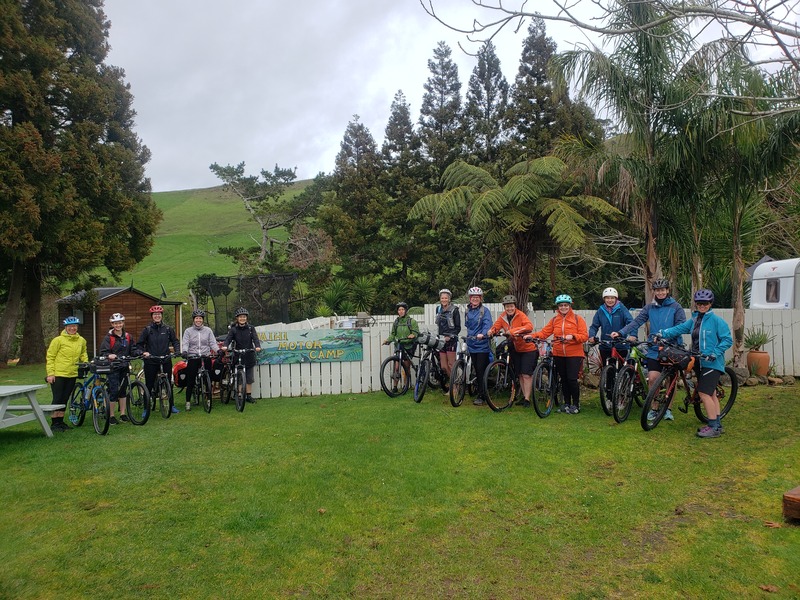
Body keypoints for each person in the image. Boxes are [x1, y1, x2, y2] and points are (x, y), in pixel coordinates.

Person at [659, 289, 732, 438]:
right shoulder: (694, 320)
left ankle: (712, 427)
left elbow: (727, 340)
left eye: (705, 303)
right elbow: (678, 329)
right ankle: (717, 425)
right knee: (711, 393)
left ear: (710, 304)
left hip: (712, 363)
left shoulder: (717, 321)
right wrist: (662, 333)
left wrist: (715, 353)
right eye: (699, 303)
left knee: (704, 393)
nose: (702, 306)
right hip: (698, 361)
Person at [613, 278, 686, 421]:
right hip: (654, 348)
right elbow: (637, 322)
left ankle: (668, 409)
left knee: (671, 380)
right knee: (653, 378)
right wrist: (621, 332)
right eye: (657, 290)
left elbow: (681, 326)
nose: (660, 292)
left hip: (672, 348)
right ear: (654, 292)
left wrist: (666, 335)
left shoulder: (676, 307)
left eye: (663, 290)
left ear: (667, 291)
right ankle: (654, 408)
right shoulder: (649, 308)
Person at [528, 294, 589, 414]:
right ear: (558, 307)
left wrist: (573, 336)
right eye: (561, 305)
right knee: (564, 379)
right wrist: (532, 336)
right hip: (559, 353)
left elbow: (584, 336)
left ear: (570, 306)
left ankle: (576, 404)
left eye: (566, 305)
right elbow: (545, 332)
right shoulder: (555, 320)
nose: (563, 307)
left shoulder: (578, 319)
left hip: (574, 354)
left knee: (572, 379)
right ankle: (566, 404)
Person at [487, 295, 536, 406]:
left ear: (515, 306)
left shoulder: (521, 315)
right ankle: (524, 397)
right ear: (504, 307)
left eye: (511, 306)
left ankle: (527, 399)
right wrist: (491, 331)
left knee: (526, 374)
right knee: (519, 373)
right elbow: (496, 326)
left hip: (527, 348)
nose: (509, 309)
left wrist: (513, 331)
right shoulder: (503, 317)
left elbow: (529, 327)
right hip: (515, 347)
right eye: (507, 307)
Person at [588, 287, 634, 399]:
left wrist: (632, 335)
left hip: (621, 344)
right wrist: (592, 336)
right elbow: (594, 326)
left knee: (621, 370)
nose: (610, 300)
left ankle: (623, 392)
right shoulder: (600, 310)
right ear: (604, 299)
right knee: (608, 371)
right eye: (607, 298)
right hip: (606, 345)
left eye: (612, 298)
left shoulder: (622, 309)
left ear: (616, 298)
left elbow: (631, 323)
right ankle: (609, 396)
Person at [45, 316, 89, 432]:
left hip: (72, 374)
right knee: (57, 398)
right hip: (59, 374)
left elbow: (83, 352)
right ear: (65, 327)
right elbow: (50, 357)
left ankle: (61, 421)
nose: (72, 328)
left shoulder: (81, 340)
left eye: (74, 326)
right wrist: (50, 374)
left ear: (77, 327)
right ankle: (54, 423)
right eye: (70, 326)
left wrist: (85, 362)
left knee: (65, 398)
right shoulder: (58, 340)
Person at [137, 305, 181, 413]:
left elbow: (175, 341)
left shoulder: (167, 329)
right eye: (155, 314)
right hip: (151, 360)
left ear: (162, 316)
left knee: (168, 384)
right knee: (149, 384)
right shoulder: (147, 330)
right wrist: (143, 353)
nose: (157, 316)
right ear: (152, 316)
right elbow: (139, 345)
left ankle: (171, 405)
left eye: (159, 314)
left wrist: (177, 351)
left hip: (165, 359)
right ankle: (146, 408)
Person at [98, 313, 138, 424]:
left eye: (120, 322)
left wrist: (141, 353)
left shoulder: (128, 337)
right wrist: (109, 355)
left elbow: (133, 350)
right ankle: (110, 415)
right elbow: (103, 352)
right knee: (114, 391)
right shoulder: (108, 338)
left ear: (123, 323)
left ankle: (123, 414)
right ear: (112, 324)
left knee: (123, 391)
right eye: (116, 323)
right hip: (113, 367)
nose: (118, 325)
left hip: (124, 366)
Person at [223, 307, 262, 403]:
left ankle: (248, 395)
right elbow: (228, 339)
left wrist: (257, 346)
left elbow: (255, 338)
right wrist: (225, 346)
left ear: (246, 318)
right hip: (238, 354)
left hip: (249, 354)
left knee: (249, 377)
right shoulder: (233, 329)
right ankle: (239, 394)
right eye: (240, 317)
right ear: (237, 318)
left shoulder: (250, 328)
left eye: (244, 317)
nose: (242, 319)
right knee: (239, 377)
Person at [181, 309, 217, 411]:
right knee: (191, 380)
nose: (198, 320)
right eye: (196, 318)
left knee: (208, 378)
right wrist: (184, 351)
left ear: (203, 320)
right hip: (193, 356)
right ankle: (188, 401)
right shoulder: (188, 331)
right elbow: (185, 343)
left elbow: (212, 343)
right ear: (193, 320)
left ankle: (209, 399)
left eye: (200, 318)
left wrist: (218, 351)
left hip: (205, 356)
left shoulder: (208, 330)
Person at [383, 302, 420, 393]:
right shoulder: (396, 322)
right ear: (397, 311)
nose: (401, 311)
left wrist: (413, 335)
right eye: (399, 310)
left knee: (406, 367)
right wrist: (388, 340)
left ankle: (405, 385)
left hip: (408, 346)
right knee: (396, 367)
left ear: (406, 310)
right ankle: (395, 387)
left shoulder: (412, 321)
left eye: (403, 309)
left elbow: (416, 332)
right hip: (399, 346)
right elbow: (393, 334)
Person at [466, 287, 493, 406]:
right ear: (470, 298)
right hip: (471, 344)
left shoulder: (484, 311)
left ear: (480, 298)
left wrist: (483, 333)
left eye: (477, 297)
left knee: (481, 369)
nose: (475, 299)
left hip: (482, 345)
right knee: (476, 369)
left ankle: (482, 395)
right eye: (473, 297)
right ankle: (479, 389)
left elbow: (487, 323)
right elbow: (468, 326)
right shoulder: (467, 311)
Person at [434, 288, 460, 392]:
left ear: (449, 299)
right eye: (442, 298)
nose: (444, 300)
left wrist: (450, 336)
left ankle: (455, 387)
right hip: (441, 340)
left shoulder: (454, 310)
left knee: (451, 364)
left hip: (451, 340)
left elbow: (458, 327)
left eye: (446, 298)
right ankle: (454, 383)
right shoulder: (438, 309)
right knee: (444, 366)